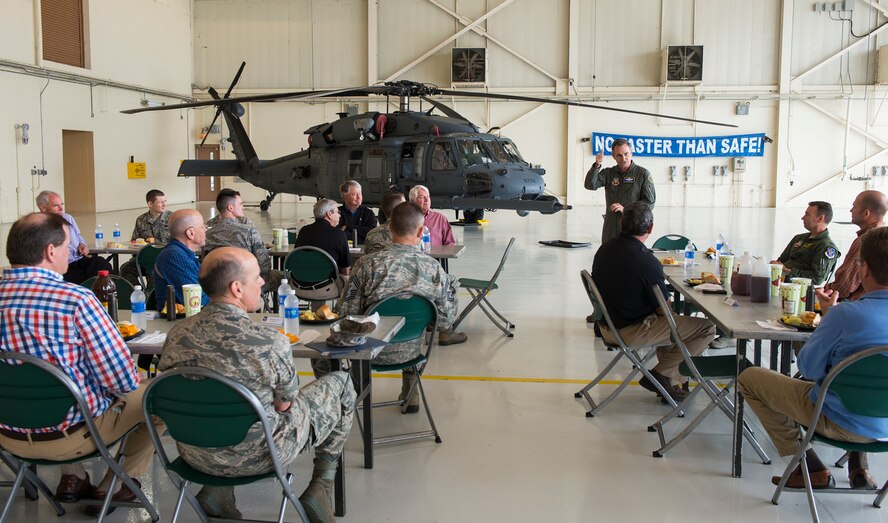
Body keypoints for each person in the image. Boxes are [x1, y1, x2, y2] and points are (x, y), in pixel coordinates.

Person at [159, 247, 356, 521]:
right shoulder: (268, 342)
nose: (263, 282)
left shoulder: (176, 335)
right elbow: (286, 403)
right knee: (342, 383)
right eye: (256, 277)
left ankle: (217, 490)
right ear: (237, 288)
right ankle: (321, 485)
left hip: (195, 455)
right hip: (260, 456)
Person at [0, 212, 158, 516]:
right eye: (67, 247)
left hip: (7, 437)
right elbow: (122, 381)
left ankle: (73, 477)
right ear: (50, 251)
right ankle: (116, 484)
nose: (70, 253)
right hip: (69, 438)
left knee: (52, 389)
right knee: (158, 393)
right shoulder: (75, 300)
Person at [739, 227, 888, 490]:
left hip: (839, 421)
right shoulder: (847, 314)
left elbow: (808, 368)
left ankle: (809, 465)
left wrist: (830, 318)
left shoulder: (847, 315)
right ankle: (858, 466)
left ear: (864, 269)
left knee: (750, 378)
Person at [338, 202, 467, 409]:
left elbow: (346, 313)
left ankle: (348, 398)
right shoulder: (433, 268)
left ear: (389, 229)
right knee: (412, 327)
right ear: (420, 231)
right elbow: (445, 319)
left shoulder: (366, 265)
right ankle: (411, 392)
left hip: (370, 349)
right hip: (412, 350)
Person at [591, 202, 716, 403]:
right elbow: (664, 310)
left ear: (622, 223)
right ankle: (663, 374)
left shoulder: (605, 249)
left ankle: (667, 381)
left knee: (669, 324)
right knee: (705, 328)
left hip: (607, 325)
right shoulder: (646, 262)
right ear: (650, 228)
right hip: (629, 331)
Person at [203, 188, 283, 293]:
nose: (243, 207)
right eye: (240, 204)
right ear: (230, 207)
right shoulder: (248, 231)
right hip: (245, 286)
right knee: (280, 277)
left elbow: (204, 262)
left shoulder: (207, 233)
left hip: (216, 286)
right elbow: (264, 266)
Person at [584, 138, 656, 245]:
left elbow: (649, 203)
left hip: (632, 226)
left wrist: (627, 210)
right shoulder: (609, 173)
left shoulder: (642, 174)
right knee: (609, 256)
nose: (624, 158)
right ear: (613, 156)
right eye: (619, 155)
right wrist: (597, 165)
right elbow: (590, 185)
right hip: (611, 226)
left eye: (626, 154)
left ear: (631, 153)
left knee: (629, 257)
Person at [35, 190, 113, 284]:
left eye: (62, 204)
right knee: (82, 277)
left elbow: (79, 236)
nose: (61, 209)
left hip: (79, 259)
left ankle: (109, 294)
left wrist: (82, 244)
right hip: (63, 266)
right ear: (43, 208)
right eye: (56, 206)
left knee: (101, 264)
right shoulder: (38, 226)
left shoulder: (67, 218)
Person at [823, 191, 887, 301]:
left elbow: (843, 287)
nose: (851, 210)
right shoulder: (883, 237)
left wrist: (824, 289)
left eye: (854, 206)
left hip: (856, 307)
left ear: (866, 213)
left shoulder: (866, 240)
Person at [770, 201, 841, 285]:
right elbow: (781, 261)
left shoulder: (826, 246)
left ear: (820, 219)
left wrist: (788, 270)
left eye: (807, 214)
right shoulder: (798, 238)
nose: (803, 218)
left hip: (798, 290)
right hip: (780, 281)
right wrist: (775, 265)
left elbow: (817, 279)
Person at [153, 209, 211, 311]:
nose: (206, 230)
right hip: (179, 322)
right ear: (190, 233)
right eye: (203, 226)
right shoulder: (174, 256)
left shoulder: (184, 253)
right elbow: (197, 301)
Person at [120, 189, 173, 285]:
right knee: (125, 269)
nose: (164, 204)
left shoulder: (173, 218)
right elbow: (134, 241)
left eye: (165, 201)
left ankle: (151, 297)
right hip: (145, 258)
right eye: (161, 202)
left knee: (153, 272)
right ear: (150, 204)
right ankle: (137, 293)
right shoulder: (141, 220)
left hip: (165, 258)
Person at [294, 199, 351, 276]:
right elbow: (346, 270)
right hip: (328, 285)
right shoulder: (339, 234)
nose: (339, 215)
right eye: (338, 212)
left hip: (300, 282)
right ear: (329, 214)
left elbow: (296, 257)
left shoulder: (303, 231)